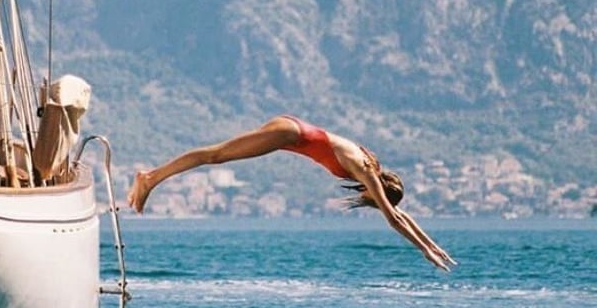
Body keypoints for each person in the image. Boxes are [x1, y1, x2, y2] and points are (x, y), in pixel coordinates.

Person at [128, 114, 456, 271]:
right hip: (290, 134)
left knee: (218, 155)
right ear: (380, 191)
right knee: (216, 155)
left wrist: (432, 245)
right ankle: (150, 178)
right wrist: (424, 251)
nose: (372, 203)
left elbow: (398, 213)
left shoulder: (371, 165)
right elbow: (394, 218)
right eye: (377, 202)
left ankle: (152, 178)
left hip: (292, 130)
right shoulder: (367, 172)